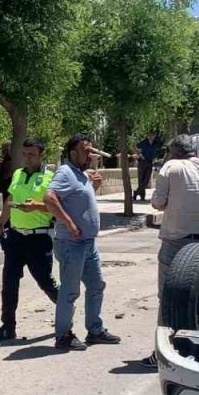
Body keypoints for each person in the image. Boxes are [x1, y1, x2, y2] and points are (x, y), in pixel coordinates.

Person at [141, 134, 199, 369]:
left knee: (168, 297)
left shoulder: (171, 167)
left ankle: (162, 352)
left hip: (176, 243)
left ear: (174, 152)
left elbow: (157, 203)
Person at [44, 134, 121, 351]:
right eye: (85, 150)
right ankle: (63, 335)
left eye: (90, 149)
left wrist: (93, 187)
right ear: (72, 153)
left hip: (88, 243)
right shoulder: (65, 172)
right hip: (72, 243)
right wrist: (68, 223)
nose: (89, 153)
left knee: (96, 285)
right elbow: (50, 198)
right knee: (69, 291)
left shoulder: (81, 174)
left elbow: (79, 200)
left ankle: (95, 330)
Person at [0, 138, 60, 345]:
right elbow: (10, 201)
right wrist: (1, 224)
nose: (27, 158)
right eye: (25, 154)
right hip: (16, 237)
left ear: (41, 155)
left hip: (39, 238)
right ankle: (7, 326)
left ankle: (65, 309)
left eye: (32, 155)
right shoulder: (18, 174)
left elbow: (57, 208)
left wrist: (37, 206)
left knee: (45, 281)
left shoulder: (51, 178)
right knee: (9, 283)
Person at [133, 133, 162, 201]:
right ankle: (142, 196)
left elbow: (162, 144)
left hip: (150, 162)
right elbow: (134, 146)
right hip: (142, 162)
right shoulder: (143, 142)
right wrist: (139, 154)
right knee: (141, 180)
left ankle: (136, 192)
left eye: (153, 135)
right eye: (150, 135)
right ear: (147, 135)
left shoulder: (156, 143)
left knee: (146, 180)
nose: (152, 136)